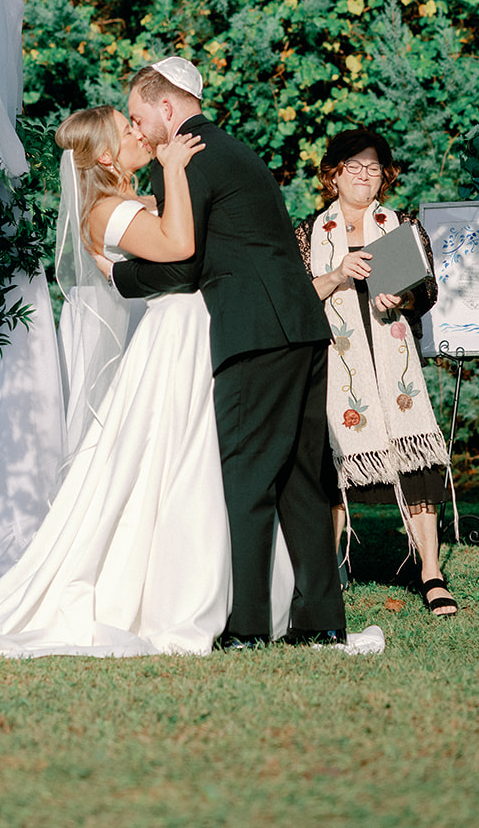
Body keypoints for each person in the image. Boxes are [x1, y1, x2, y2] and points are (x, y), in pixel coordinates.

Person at [0, 104, 238, 656]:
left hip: (163, 352)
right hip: (144, 356)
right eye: (129, 128)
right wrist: (179, 172)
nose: (141, 132)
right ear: (106, 155)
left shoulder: (134, 201)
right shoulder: (108, 210)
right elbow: (179, 245)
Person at [111, 57, 349, 648]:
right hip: (301, 324)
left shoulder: (187, 158)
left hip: (255, 331)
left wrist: (119, 278)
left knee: (246, 475)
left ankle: (245, 625)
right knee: (300, 477)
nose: (139, 131)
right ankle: (321, 622)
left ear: (168, 107)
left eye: (141, 117)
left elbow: (183, 263)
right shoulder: (235, 150)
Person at [294, 127, 457, 616]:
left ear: (385, 176)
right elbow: (297, 298)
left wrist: (401, 297)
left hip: (393, 360)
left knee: (417, 462)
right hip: (335, 363)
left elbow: (425, 292)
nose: (364, 176)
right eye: (353, 166)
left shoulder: (400, 224)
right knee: (333, 463)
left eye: (373, 167)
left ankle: (430, 570)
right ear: (333, 174)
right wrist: (340, 273)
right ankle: (332, 566)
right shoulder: (307, 233)